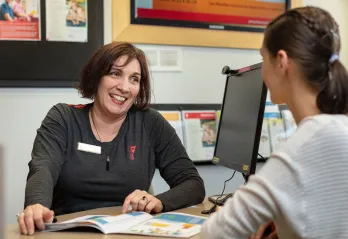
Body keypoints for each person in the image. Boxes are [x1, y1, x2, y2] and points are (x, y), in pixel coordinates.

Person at [17, 42, 205, 235]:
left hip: (128, 233)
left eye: (134, 79)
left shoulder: (150, 123)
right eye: (115, 73)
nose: (124, 87)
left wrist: (159, 202)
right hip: (69, 232)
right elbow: (43, 168)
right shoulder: (63, 118)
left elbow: (192, 184)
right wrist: (36, 205)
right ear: (97, 77)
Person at [201, 6, 348, 239]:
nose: (261, 72)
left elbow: (215, 232)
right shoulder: (336, 129)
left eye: (262, 58)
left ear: (281, 61)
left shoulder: (307, 144)